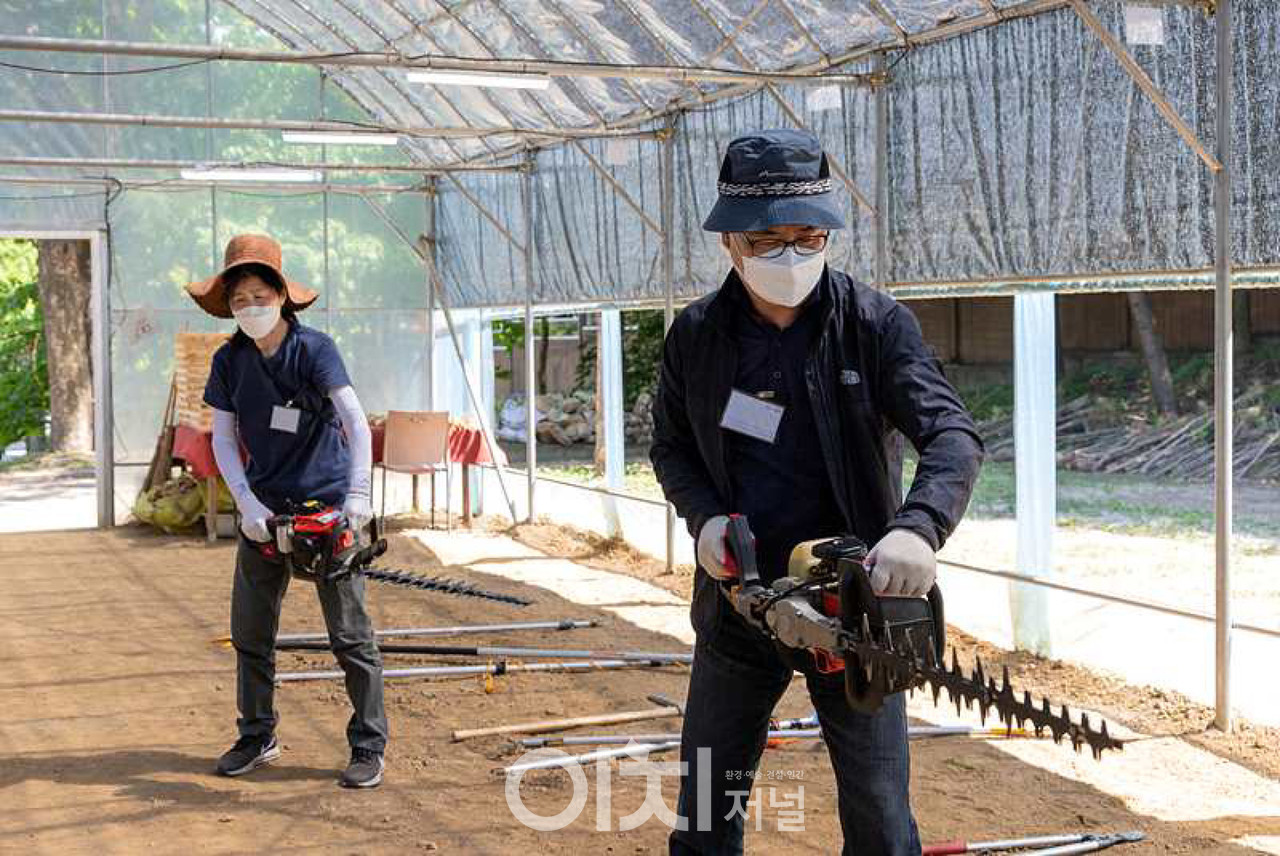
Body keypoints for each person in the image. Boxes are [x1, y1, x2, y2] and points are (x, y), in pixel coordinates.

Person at [650, 130, 984, 855]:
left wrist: (917, 528)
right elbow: (672, 446)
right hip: (741, 604)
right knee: (707, 806)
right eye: (768, 241)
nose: (791, 256)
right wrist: (704, 519)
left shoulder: (875, 326)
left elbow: (953, 436)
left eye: (808, 236)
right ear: (731, 243)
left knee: (879, 819)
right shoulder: (697, 337)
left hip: (851, 613)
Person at [186, 234, 388, 788]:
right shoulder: (229, 361)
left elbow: (354, 420)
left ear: (280, 295)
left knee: (350, 636)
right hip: (266, 512)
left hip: (327, 509)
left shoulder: (316, 350)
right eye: (238, 300)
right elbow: (223, 439)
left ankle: (369, 745)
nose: (249, 307)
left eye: (258, 295)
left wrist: (358, 498)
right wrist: (246, 504)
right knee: (250, 632)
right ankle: (257, 735)